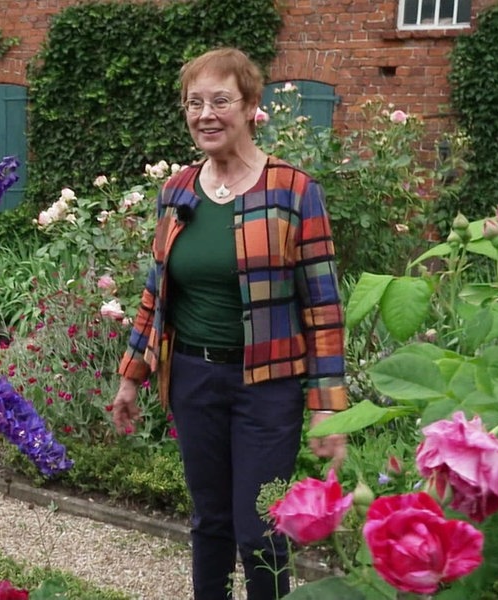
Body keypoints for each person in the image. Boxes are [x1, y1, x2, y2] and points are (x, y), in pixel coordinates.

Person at [110, 47, 348, 600]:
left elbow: (323, 310)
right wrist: (131, 375)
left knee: (261, 529)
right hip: (194, 380)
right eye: (194, 103)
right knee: (209, 522)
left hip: (268, 391)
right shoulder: (177, 191)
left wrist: (330, 412)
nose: (205, 114)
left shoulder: (293, 190)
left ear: (250, 106)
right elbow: (156, 291)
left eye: (221, 100)